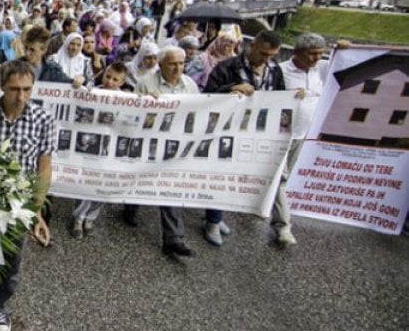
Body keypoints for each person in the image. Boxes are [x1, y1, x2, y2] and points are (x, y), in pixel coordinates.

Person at [0, 60, 55, 331]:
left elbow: (44, 166)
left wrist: (37, 210)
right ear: (2, 86)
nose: (21, 97)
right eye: (14, 89)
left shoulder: (44, 119)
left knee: (10, 269)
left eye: (27, 89)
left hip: (19, 211)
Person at [202, 30, 285, 247]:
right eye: (263, 53)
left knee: (235, 178)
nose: (266, 60)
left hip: (256, 134)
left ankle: (218, 216)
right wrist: (230, 89)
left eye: (272, 55)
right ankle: (213, 220)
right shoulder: (227, 67)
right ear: (253, 45)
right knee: (220, 176)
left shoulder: (274, 71)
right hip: (228, 132)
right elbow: (207, 97)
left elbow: (280, 98)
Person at [124, 46, 199, 259]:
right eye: (172, 64)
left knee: (169, 187)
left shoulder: (190, 86)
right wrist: (148, 104)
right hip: (148, 145)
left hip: (175, 148)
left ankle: (174, 239)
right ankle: (130, 206)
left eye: (181, 64)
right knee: (139, 181)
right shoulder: (146, 84)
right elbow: (133, 115)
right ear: (161, 64)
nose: (177, 68)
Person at [277, 33, 331, 245]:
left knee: (284, 179)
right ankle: (283, 227)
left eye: (320, 53)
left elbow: (348, 60)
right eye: (311, 53)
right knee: (280, 179)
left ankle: (265, 207)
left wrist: (345, 47)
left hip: (304, 136)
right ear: (297, 53)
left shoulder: (322, 68)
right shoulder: (281, 70)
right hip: (282, 135)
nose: (316, 58)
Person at [70, 61, 129, 238]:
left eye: (115, 79)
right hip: (91, 145)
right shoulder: (91, 91)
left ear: (122, 82)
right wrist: (77, 85)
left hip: (111, 149)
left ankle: (91, 216)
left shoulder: (128, 99)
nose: (110, 81)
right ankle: (79, 218)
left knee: (104, 184)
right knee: (88, 182)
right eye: (108, 76)